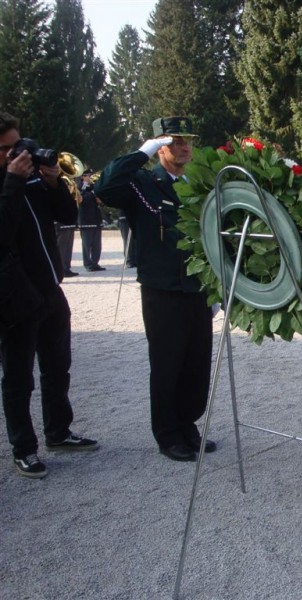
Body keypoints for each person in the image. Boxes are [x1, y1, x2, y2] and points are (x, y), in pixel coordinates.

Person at [94, 116, 215, 462]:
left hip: (197, 286)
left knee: (196, 362)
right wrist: (141, 153)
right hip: (162, 288)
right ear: (159, 146)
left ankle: (188, 425)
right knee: (167, 363)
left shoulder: (198, 182)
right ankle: (167, 434)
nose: (184, 146)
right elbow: (104, 188)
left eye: (186, 140)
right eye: (174, 141)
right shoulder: (143, 182)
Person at [0, 111, 98, 479]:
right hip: (14, 295)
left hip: (49, 288)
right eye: (6, 149)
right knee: (18, 377)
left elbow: (66, 215)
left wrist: (53, 181)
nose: (16, 154)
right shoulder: (12, 180)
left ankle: (58, 431)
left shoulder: (31, 178)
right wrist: (13, 180)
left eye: (17, 145)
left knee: (58, 366)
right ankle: (24, 448)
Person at [78, 170, 105, 271]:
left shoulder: (94, 186)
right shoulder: (80, 186)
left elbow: (101, 200)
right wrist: (92, 192)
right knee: (87, 244)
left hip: (96, 219)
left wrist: (100, 200)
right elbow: (82, 198)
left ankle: (95, 263)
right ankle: (88, 264)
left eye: (91, 175)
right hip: (86, 219)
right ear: (83, 177)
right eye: (88, 175)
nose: (90, 177)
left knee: (97, 245)